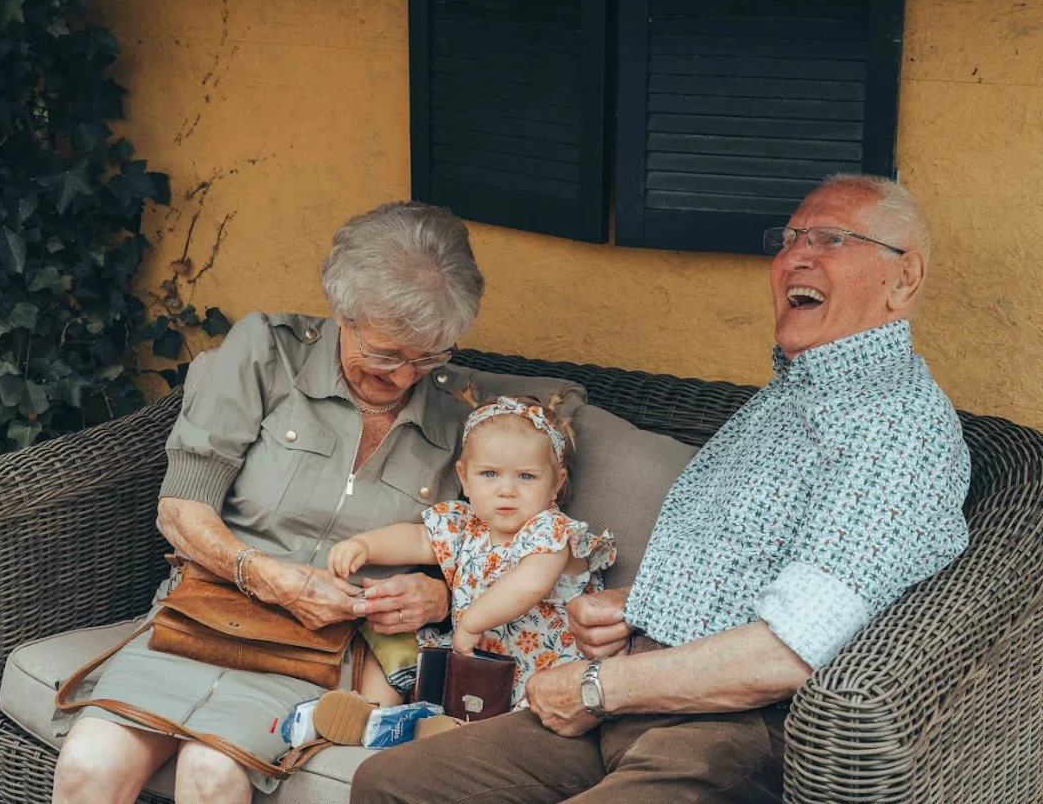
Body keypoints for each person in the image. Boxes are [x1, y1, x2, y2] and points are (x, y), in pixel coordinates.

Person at [350, 173, 972, 803]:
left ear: (904, 278)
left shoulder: (896, 428)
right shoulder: (790, 395)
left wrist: (596, 687)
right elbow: (751, 571)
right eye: (789, 239)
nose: (796, 258)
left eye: (831, 239)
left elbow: (790, 651)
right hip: (640, 691)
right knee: (390, 784)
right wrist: (635, 610)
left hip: (727, 725)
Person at [50, 201, 485, 804]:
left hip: (327, 649)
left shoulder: (465, 415)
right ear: (342, 313)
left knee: (211, 773)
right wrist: (265, 576)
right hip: (208, 613)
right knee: (87, 764)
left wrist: (438, 597)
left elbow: (489, 553)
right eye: (387, 354)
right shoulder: (267, 352)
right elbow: (179, 507)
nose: (405, 377)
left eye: (428, 356)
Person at [313, 395, 615, 741]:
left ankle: (449, 734)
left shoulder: (551, 531)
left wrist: (472, 622)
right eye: (489, 474)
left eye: (526, 476)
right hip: (470, 657)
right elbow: (417, 539)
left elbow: (531, 583)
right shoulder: (464, 524)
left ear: (555, 483)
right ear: (465, 478)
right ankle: (372, 713)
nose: (507, 490)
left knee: (519, 715)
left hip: (537, 670)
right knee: (394, 638)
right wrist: (365, 545)